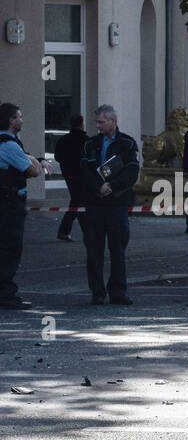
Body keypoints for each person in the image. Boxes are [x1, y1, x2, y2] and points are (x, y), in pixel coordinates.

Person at [80, 104, 140, 306]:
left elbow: (132, 172)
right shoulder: (91, 144)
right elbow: (85, 170)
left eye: (101, 122)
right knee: (94, 251)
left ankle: (118, 291)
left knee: (118, 250)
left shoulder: (127, 143)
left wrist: (112, 187)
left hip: (117, 203)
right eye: (96, 122)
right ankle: (97, 291)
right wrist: (98, 187)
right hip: (95, 203)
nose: (97, 126)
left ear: (112, 121)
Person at [0, 102, 45, 310]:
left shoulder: (10, 142)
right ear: (11, 120)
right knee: (10, 248)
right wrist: (34, 161)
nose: (22, 120)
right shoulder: (8, 144)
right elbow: (33, 171)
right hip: (10, 205)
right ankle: (6, 295)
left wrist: (30, 159)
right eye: (19, 116)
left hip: (7, 202)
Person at [54, 115, 89, 241]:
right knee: (78, 201)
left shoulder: (64, 140)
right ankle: (68, 231)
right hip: (82, 175)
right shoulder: (85, 140)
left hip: (69, 174)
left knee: (77, 201)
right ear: (82, 124)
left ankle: (83, 231)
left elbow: (57, 156)